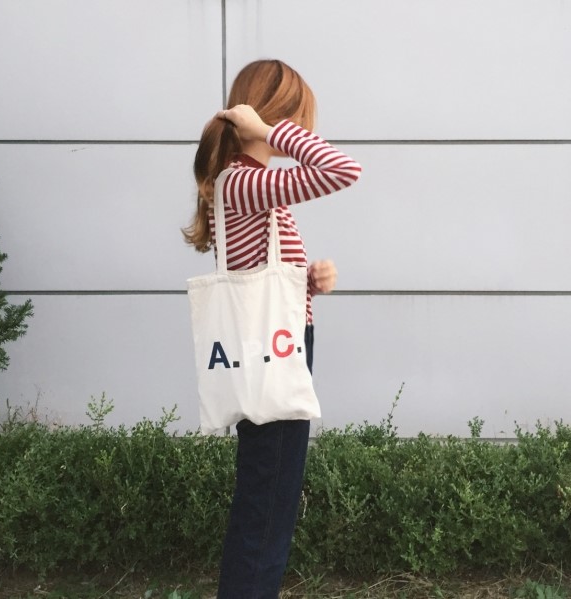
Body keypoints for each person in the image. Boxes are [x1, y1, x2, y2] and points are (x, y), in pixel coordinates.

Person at [183, 59, 361, 599]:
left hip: (274, 341)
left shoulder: (247, 184)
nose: (305, 130)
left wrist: (309, 282)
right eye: (299, 119)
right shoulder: (245, 181)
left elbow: (257, 278)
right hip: (276, 349)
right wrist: (268, 130)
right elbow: (343, 170)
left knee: (269, 492)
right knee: (268, 501)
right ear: (274, 116)